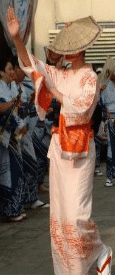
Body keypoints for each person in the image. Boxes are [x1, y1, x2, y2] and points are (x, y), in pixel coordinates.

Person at [7, 8, 112, 274]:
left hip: (80, 149)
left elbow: (82, 108)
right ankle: (71, 270)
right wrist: (18, 38)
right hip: (59, 149)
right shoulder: (60, 73)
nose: (68, 52)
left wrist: (54, 92)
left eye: (72, 48)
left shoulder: (90, 77)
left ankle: (100, 250)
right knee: (61, 216)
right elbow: (32, 66)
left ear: (82, 49)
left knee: (78, 216)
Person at [12, 58, 50, 209]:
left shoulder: (27, 84)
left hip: (27, 129)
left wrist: (35, 98)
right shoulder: (8, 87)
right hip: (13, 132)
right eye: (21, 68)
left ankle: (32, 198)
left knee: (32, 163)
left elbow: (31, 107)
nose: (24, 71)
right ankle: (19, 201)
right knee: (17, 167)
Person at [0, 57, 27, 222]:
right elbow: (2, 108)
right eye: (9, 69)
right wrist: (13, 102)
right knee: (7, 174)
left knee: (15, 171)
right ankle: (9, 211)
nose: (12, 72)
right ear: (1, 72)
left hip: (13, 134)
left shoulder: (12, 87)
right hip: (4, 136)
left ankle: (14, 209)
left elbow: (16, 111)